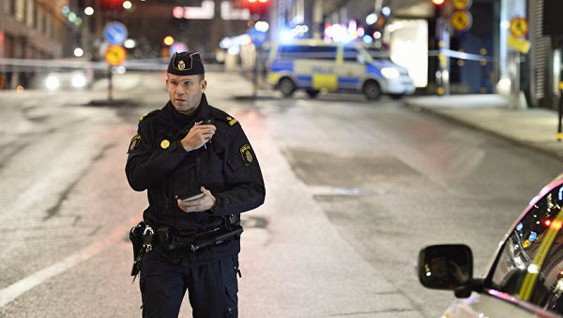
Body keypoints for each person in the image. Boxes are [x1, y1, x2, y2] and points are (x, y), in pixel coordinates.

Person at [125, 51, 265, 318]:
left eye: (188, 83)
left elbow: (255, 191)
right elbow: (136, 178)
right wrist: (182, 147)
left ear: (203, 85)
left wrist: (216, 203)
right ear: (166, 83)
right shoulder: (151, 127)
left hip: (213, 250)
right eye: (174, 82)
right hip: (163, 251)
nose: (180, 91)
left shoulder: (226, 129)